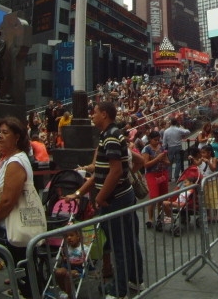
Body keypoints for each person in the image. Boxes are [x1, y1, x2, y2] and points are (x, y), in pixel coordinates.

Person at [65, 102, 143, 299]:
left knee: (120, 245)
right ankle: (133, 280)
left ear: (105, 115)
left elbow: (115, 172)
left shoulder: (111, 137)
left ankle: (120, 291)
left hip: (116, 200)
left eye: (96, 112)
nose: (92, 115)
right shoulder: (108, 135)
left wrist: (100, 197)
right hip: (119, 197)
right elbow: (100, 172)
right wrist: (78, 193)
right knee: (127, 241)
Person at [0, 117, 37, 297]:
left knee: (26, 279)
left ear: (17, 137)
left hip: (14, 229)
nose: (0, 136)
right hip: (7, 227)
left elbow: (8, 200)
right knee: (21, 275)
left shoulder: (16, 162)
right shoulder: (9, 160)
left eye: (5, 133)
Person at [141, 130, 170, 228]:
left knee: (163, 196)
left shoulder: (161, 147)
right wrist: (157, 158)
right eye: (155, 140)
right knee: (154, 196)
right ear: (150, 139)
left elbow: (168, 162)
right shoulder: (146, 149)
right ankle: (150, 218)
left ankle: (160, 216)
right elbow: (145, 164)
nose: (157, 142)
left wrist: (164, 160)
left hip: (162, 173)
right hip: (152, 174)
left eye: (158, 140)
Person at [54, 229, 89, 299]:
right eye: (67, 236)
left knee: (68, 275)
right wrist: (64, 257)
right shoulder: (67, 248)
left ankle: (69, 295)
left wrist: (72, 262)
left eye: (71, 235)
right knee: (58, 272)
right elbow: (64, 258)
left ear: (78, 237)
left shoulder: (83, 248)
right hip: (67, 266)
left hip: (78, 268)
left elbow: (83, 261)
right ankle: (64, 291)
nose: (69, 238)